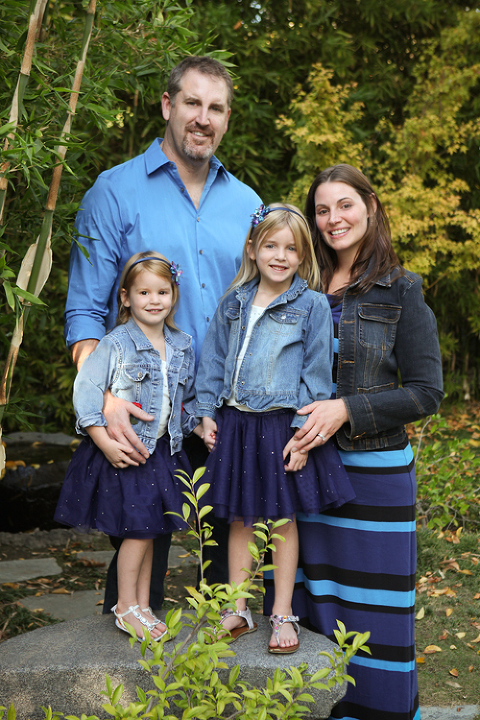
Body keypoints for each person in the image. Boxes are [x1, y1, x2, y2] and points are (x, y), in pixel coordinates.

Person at [63, 56, 261, 613]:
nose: (203, 118)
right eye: (193, 103)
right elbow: (85, 313)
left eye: (216, 108)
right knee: (140, 549)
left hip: (226, 409)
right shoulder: (114, 191)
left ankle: (227, 658)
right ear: (168, 105)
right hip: (144, 410)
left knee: (229, 567)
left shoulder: (248, 205)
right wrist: (104, 401)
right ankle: (125, 657)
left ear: (227, 118)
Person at [273, 166, 444, 718]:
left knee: (375, 616)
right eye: (321, 210)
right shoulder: (295, 285)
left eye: (344, 205)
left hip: (373, 474)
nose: (333, 219)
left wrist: (346, 409)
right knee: (312, 605)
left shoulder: (401, 289)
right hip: (306, 473)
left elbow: (426, 392)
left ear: (370, 205)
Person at [195, 204, 355, 654]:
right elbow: (212, 363)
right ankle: (237, 607)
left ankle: (282, 611)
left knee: (282, 520)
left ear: (303, 256)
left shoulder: (312, 305)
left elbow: (317, 376)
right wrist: (205, 414)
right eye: (270, 245)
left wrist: (302, 436)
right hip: (236, 425)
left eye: (291, 248)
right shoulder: (233, 302)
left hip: (282, 426)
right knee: (241, 519)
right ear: (252, 249)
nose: (280, 256)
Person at [55, 251, 199, 641]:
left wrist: (201, 425)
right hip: (128, 453)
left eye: (162, 292)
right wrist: (103, 442)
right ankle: (124, 606)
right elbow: (86, 391)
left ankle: (142, 605)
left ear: (173, 295)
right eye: (144, 293)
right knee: (138, 532)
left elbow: (184, 399)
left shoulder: (181, 344)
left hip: (163, 452)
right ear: (126, 297)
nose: (154, 300)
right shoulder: (116, 343)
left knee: (150, 531)